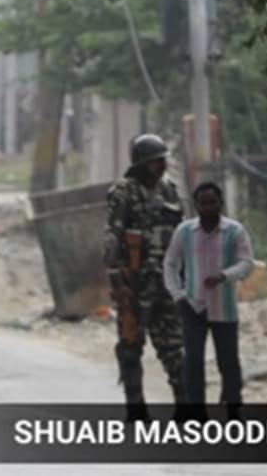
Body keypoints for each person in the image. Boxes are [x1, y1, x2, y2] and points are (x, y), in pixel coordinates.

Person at [103, 133, 186, 422]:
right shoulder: (124, 193)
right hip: (135, 283)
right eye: (154, 162)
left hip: (167, 283)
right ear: (141, 164)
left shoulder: (171, 192)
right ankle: (136, 410)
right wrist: (118, 282)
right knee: (130, 346)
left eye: (162, 161)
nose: (161, 166)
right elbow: (112, 238)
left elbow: (183, 235)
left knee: (175, 347)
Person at [163, 182, 254, 420]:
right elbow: (170, 264)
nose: (208, 208)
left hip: (223, 308)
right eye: (203, 203)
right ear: (196, 205)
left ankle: (234, 411)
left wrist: (225, 275)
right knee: (193, 363)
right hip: (193, 306)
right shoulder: (184, 231)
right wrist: (178, 295)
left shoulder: (235, 231)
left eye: (212, 202)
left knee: (228, 363)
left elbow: (247, 263)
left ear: (220, 203)